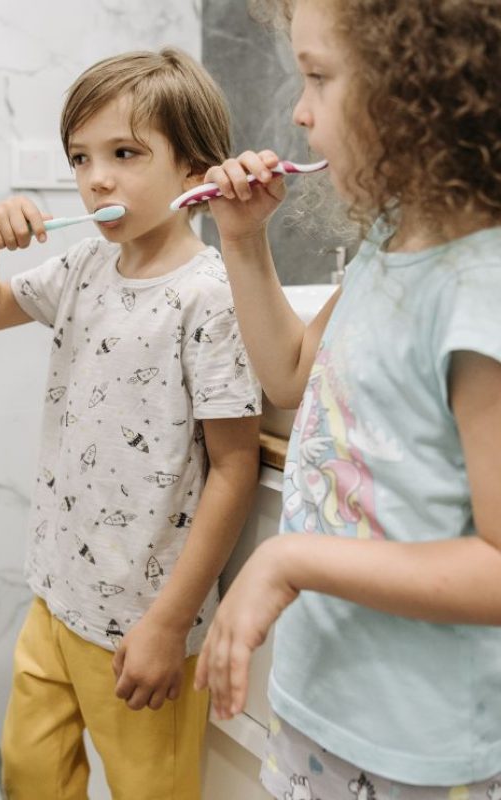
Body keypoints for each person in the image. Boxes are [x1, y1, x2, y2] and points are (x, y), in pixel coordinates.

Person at [195, 0, 501, 798]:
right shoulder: (391, 237)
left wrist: (292, 558)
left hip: (415, 745)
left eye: (320, 78)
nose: (298, 111)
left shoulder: (480, 291)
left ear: (419, 89)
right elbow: (292, 374)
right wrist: (242, 240)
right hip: (323, 704)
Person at [0, 47, 262, 800]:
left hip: (142, 622)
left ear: (194, 173)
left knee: (147, 788)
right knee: (30, 772)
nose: (96, 177)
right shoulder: (84, 268)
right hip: (56, 595)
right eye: (81, 157)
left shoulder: (211, 298)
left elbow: (234, 468)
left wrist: (168, 623)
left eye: (125, 154)